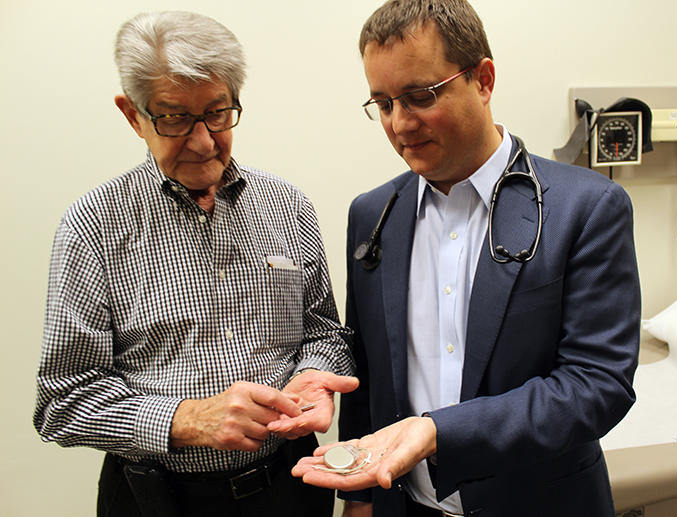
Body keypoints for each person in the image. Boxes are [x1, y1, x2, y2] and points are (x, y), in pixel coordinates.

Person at [291, 1, 641, 516]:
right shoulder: (372, 216)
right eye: (384, 104)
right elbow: (370, 366)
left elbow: (596, 386)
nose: (400, 123)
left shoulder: (585, 209)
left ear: (483, 79)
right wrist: (358, 495)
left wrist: (437, 432)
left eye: (419, 97)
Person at [33, 11, 357, 517]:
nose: (204, 141)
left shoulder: (287, 206)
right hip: (156, 500)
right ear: (131, 114)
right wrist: (185, 420)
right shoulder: (92, 226)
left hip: (289, 487)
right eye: (174, 118)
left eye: (218, 113)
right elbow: (61, 401)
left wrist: (315, 374)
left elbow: (323, 332)